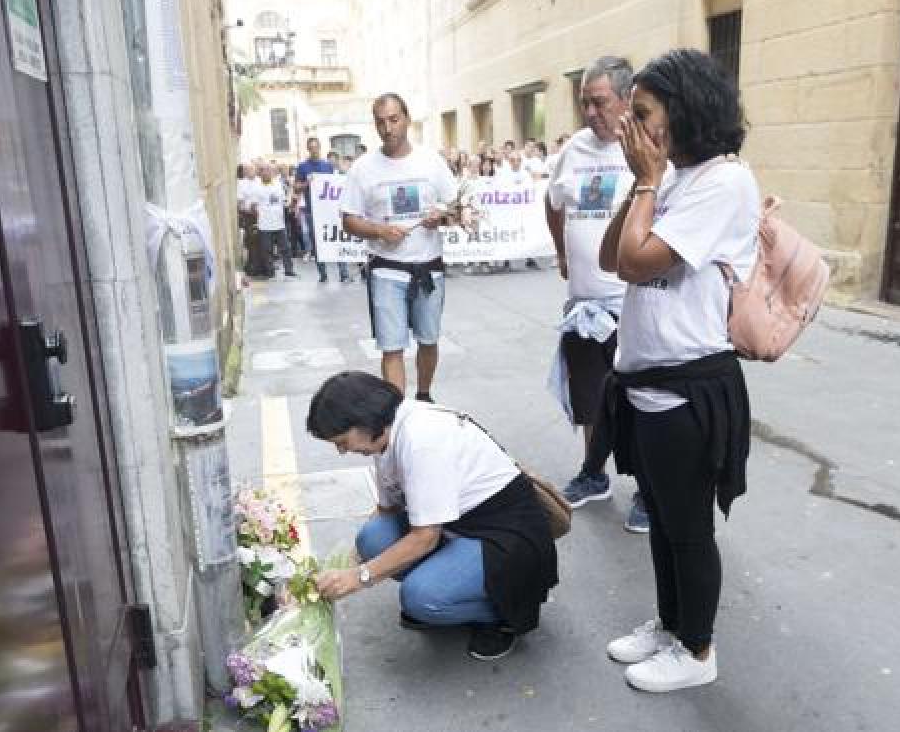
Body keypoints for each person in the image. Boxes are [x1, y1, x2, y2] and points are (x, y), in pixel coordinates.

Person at [597, 49, 757, 692]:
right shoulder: (672, 177)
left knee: (687, 526)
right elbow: (615, 255)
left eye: (642, 113)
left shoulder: (724, 181)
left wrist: (645, 183)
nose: (628, 127)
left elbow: (640, 265)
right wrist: (645, 182)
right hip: (646, 383)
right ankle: (670, 625)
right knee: (661, 519)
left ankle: (697, 650)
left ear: (683, 112)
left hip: (691, 386)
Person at [310, 372, 558, 661]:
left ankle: (506, 612)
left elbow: (425, 538)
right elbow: (387, 509)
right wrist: (349, 560)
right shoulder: (384, 436)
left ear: (364, 419)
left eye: (342, 441)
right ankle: (451, 590)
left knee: (420, 598)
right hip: (455, 524)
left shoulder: (421, 440)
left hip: (504, 535)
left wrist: (359, 576)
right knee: (371, 539)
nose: (342, 451)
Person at [545, 56, 650, 533]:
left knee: (639, 401)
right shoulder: (573, 151)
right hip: (584, 303)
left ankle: (648, 490)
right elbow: (553, 204)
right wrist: (563, 255)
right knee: (589, 398)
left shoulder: (647, 148)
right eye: (583, 101)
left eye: (599, 101)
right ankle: (594, 474)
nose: (589, 111)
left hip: (633, 303)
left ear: (627, 100)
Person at [340, 93, 458, 401]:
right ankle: (399, 411)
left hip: (428, 267)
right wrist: (379, 230)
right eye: (381, 122)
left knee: (429, 340)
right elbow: (349, 220)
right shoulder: (363, 169)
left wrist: (441, 217)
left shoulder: (430, 161)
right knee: (392, 347)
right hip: (387, 270)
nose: (388, 128)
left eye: (394, 119)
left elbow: (457, 206)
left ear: (406, 119)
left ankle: (423, 395)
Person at [296, 137, 350, 283]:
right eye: (311, 148)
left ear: (319, 148)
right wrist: (307, 183)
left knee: (336, 239)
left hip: (329, 210)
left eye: (316, 147)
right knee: (317, 243)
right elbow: (296, 187)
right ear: (308, 149)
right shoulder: (302, 167)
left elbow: (336, 185)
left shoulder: (328, 166)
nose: (314, 150)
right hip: (311, 211)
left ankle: (344, 274)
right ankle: (323, 274)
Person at [250, 162, 295, 278]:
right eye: (265, 171)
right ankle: (270, 271)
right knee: (266, 250)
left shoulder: (278, 185)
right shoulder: (256, 187)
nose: (267, 173)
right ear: (261, 173)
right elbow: (253, 206)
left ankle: (289, 269)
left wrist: (290, 201)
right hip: (264, 225)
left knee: (285, 248)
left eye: (269, 171)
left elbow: (285, 200)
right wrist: (258, 216)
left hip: (279, 223)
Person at [236, 163, 269, 279]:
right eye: (248, 170)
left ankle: (265, 267)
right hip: (249, 216)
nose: (251, 172)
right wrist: (246, 209)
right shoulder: (241, 183)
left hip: (262, 215)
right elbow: (239, 201)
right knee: (252, 243)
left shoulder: (260, 182)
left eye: (252, 170)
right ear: (245, 172)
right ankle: (253, 267)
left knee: (263, 242)